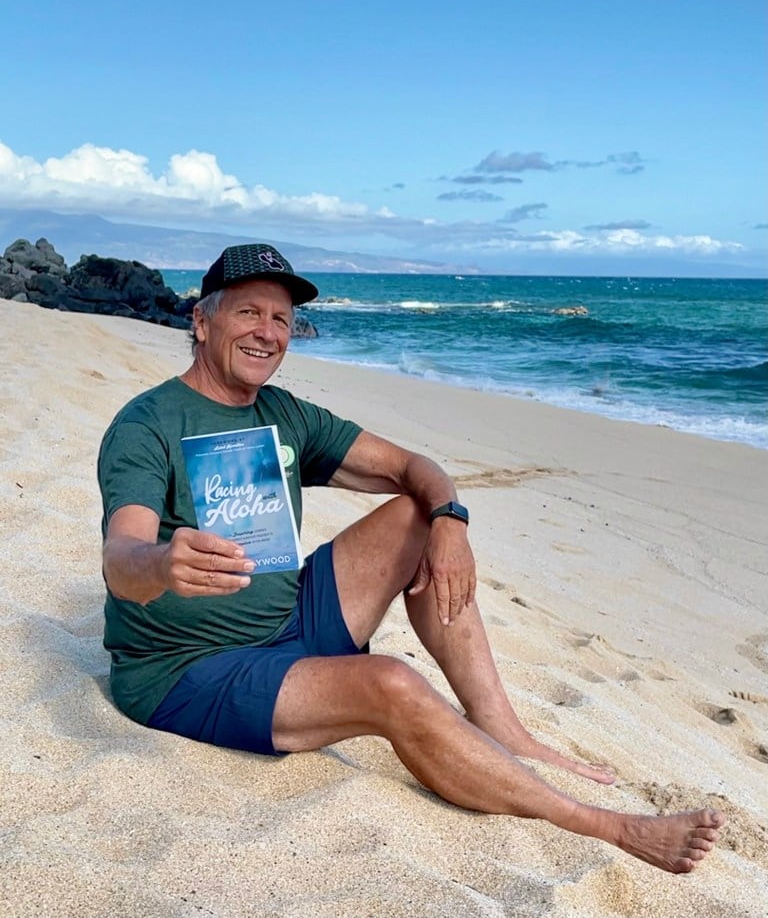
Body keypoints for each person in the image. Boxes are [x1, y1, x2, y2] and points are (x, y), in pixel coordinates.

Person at [99, 242, 724, 875]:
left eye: (282, 319)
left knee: (417, 513)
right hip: (190, 669)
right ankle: (611, 827)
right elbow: (121, 556)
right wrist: (160, 564)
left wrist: (450, 522)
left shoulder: (281, 413)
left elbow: (411, 468)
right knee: (393, 684)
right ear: (202, 322)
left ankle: (496, 722)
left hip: (290, 626)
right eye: (248, 313)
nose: (267, 332)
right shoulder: (148, 424)